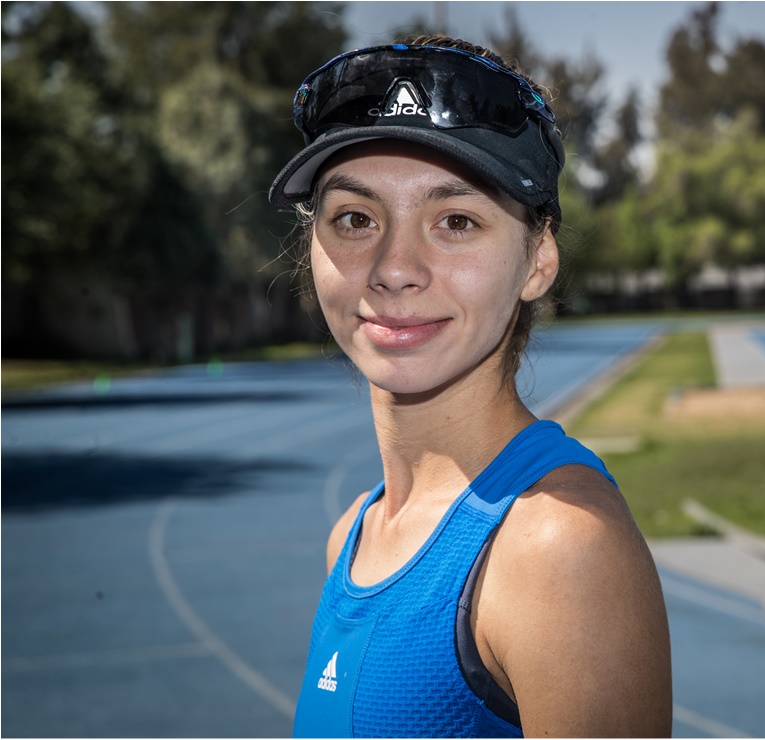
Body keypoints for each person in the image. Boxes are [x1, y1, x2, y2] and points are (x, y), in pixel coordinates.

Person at [268, 36, 673, 737]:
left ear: (537, 259)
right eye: (355, 219)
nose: (394, 268)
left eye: (455, 221)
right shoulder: (353, 537)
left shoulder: (557, 548)